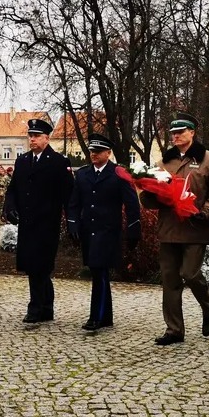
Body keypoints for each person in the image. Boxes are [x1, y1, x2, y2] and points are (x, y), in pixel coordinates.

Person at [138, 112, 209, 346]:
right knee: (170, 280)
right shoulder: (164, 162)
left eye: (180, 132)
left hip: (195, 227)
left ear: (192, 133)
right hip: (169, 229)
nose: (176, 136)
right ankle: (174, 329)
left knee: (190, 273)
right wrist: (148, 192)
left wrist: (205, 213)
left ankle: (208, 306)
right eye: (173, 133)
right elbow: (152, 200)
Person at [66, 134, 141, 331]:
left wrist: (133, 230)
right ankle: (105, 316)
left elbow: (132, 205)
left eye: (98, 152)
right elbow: (73, 203)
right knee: (98, 272)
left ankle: (96, 317)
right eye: (91, 151)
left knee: (99, 272)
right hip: (88, 231)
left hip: (108, 232)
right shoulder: (82, 174)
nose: (94, 155)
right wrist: (72, 224)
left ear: (108, 153)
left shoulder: (118, 174)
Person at [5, 118, 74, 323]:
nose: (32, 140)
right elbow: (13, 190)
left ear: (47, 138)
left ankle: (35, 308)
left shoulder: (58, 162)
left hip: (46, 223)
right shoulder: (23, 161)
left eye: (36, 136)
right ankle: (46, 307)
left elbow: (68, 195)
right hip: (27, 223)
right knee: (34, 267)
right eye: (30, 136)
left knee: (40, 266)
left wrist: (71, 221)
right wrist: (10, 208)